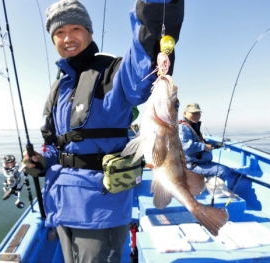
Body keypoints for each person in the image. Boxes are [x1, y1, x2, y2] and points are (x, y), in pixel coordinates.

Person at [22, 0, 184, 262]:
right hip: (61, 206)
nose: (68, 38)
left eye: (75, 29)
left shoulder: (112, 71)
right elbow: (55, 147)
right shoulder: (58, 89)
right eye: (59, 33)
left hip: (100, 212)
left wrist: (155, 7)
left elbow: (142, 73)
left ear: (89, 32)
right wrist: (40, 162)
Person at [179, 103, 232, 182]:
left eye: (198, 113)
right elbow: (185, 147)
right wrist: (204, 147)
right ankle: (214, 189)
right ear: (184, 113)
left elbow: (199, 140)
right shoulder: (182, 127)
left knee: (229, 170)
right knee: (223, 171)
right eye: (193, 113)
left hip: (200, 162)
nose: (196, 115)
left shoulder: (193, 125)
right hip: (191, 165)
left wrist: (215, 144)